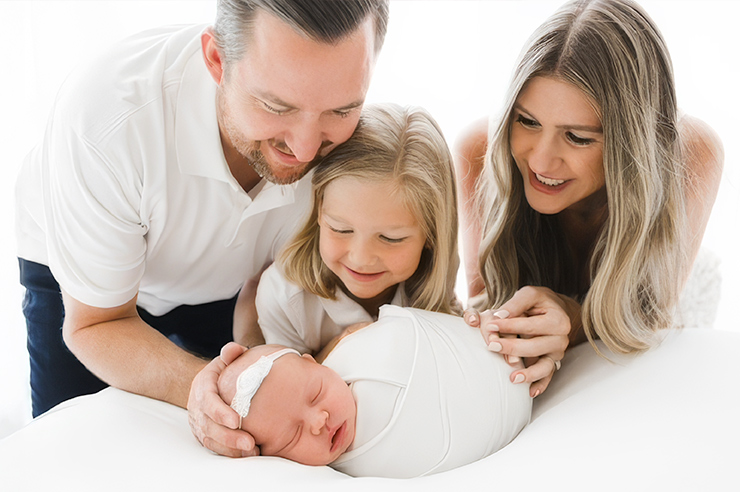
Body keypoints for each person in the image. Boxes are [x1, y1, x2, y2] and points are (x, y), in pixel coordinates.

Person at [14, 0, 389, 459]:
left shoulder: (352, 145)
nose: (307, 148)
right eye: (276, 106)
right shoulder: (107, 125)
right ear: (216, 59)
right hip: (86, 295)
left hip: (232, 282)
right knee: (68, 456)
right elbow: (95, 324)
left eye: (340, 110)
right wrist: (201, 386)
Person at [455, 0, 724, 398]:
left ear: (631, 143)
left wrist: (571, 318)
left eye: (577, 137)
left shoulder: (690, 155)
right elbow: (488, 309)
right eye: (527, 121)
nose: (541, 160)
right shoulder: (480, 150)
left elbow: (645, 320)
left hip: (655, 325)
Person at [237, 103, 461, 356]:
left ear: (431, 234)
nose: (360, 258)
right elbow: (283, 389)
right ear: (319, 211)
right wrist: (338, 351)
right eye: (341, 230)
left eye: (391, 238)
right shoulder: (284, 297)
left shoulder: (434, 298)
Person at [217, 306, 532, 478]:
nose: (318, 422)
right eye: (293, 436)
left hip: (504, 367)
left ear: (319, 364)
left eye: (316, 393)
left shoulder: (355, 354)